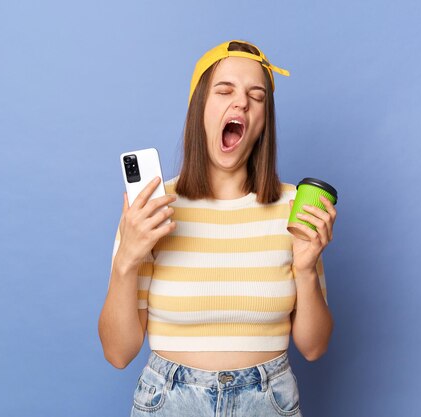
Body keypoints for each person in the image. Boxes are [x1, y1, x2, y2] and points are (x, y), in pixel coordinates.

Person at [98, 40, 337, 417]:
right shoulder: (154, 207)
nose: (240, 102)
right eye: (225, 90)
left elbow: (314, 346)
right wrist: (126, 258)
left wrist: (306, 270)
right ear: (200, 110)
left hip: (268, 401)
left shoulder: (293, 207)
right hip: (170, 402)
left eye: (256, 97)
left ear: (262, 124)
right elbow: (118, 352)